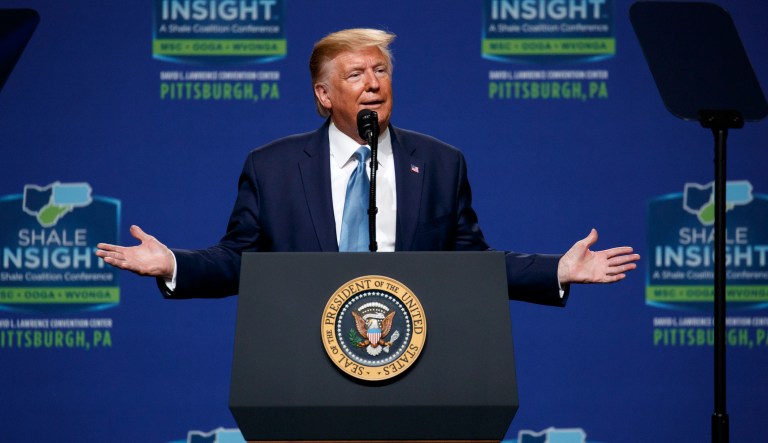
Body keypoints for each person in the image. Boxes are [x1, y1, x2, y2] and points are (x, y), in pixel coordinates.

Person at [95, 28, 639, 304]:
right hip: (305, 368)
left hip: (418, 362)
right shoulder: (273, 168)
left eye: (381, 71)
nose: (374, 83)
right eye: (355, 74)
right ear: (324, 93)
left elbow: (470, 264)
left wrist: (556, 271)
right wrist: (174, 265)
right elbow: (239, 262)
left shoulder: (441, 163)